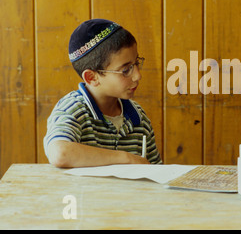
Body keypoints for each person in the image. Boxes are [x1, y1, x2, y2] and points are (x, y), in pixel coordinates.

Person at [44, 19, 162, 167]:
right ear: (92, 78)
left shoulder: (138, 116)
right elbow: (60, 153)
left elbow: (156, 170)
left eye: (136, 63)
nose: (138, 75)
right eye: (126, 70)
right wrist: (127, 158)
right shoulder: (72, 109)